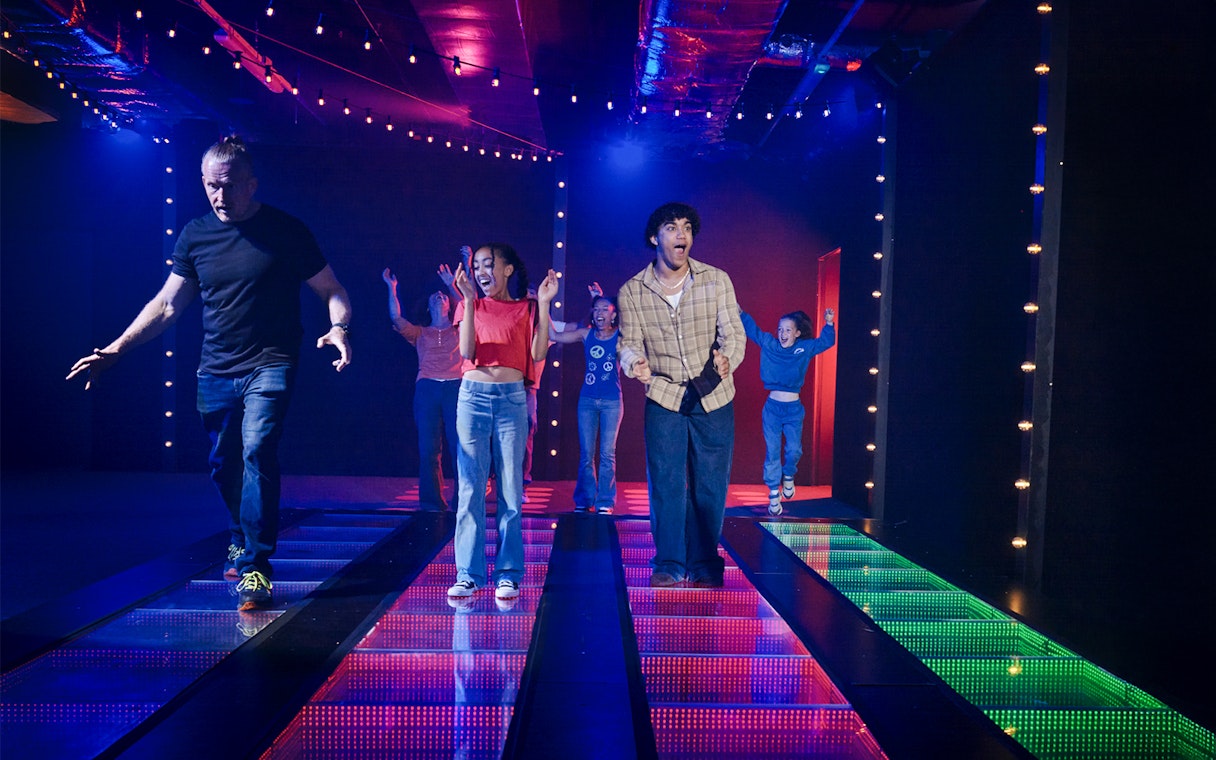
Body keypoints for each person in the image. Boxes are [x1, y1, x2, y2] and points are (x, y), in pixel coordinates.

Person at [66, 136, 352, 612]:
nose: (219, 197)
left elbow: (332, 288)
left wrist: (338, 326)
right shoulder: (195, 235)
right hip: (216, 368)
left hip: (272, 361)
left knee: (259, 448)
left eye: (229, 187)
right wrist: (116, 349)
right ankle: (241, 535)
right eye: (210, 187)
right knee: (224, 463)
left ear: (251, 184)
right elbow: (166, 305)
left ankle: (256, 567)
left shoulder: (286, 230)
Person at [617, 202, 744, 588]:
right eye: (672, 228)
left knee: (710, 484)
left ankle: (705, 561)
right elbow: (628, 343)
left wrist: (727, 360)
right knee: (667, 482)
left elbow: (734, 334)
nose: (682, 235)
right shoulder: (633, 291)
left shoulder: (716, 280)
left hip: (713, 396)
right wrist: (633, 362)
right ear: (655, 237)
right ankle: (669, 562)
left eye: (687, 228)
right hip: (664, 395)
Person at [447, 243, 557, 601]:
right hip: (472, 398)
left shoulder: (526, 308)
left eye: (488, 264)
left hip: (512, 399)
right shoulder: (470, 305)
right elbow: (466, 353)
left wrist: (543, 304)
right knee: (470, 489)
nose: (481, 272)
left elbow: (538, 354)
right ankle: (468, 574)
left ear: (507, 269)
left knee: (511, 490)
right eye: (476, 265)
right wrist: (466, 298)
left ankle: (508, 573)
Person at [740, 307, 836, 515]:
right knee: (772, 451)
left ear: (797, 333)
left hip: (793, 409)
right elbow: (753, 330)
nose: (783, 334)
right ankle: (774, 493)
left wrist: (829, 323)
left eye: (788, 330)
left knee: (794, 450)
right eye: (780, 330)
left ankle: (789, 475)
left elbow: (826, 342)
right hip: (772, 409)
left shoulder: (804, 348)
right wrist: (741, 314)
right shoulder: (770, 344)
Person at [383, 268, 462, 510]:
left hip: (455, 387)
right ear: (428, 306)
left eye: (443, 295)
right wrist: (392, 288)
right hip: (427, 388)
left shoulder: (460, 328)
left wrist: (452, 286)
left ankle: (463, 501)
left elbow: (468, 307)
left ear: (449, 305)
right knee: (428, 447)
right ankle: (431, 504)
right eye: (434, 296)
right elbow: (397, 318)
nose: (439, 295)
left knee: (460, 446)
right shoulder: (421, 332)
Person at [550, 284, 622, 514]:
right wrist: (541, 305)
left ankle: (605, 502)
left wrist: (598, 296)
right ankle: (584, 499)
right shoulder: (586, 334)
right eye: (596, 309)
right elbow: (553, 335)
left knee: (607, 454)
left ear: (614, 314)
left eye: (605, 309)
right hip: (587, 401)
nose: (599, 313)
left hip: (612, 401)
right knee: (586, 454)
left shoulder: (623, 336)